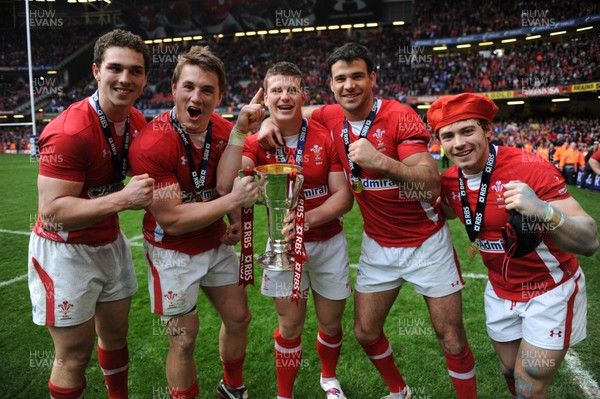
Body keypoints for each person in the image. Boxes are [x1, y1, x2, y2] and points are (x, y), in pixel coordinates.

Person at [259, 43, 477, 399]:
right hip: (378, 243)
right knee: (365, 331)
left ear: (372, 79)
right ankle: (400, 391)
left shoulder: (399, 116)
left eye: (357, 76)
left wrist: (382, 161)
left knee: (450, 337)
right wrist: (269, 119)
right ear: (331, 86)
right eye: (340, 79)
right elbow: (290, 110)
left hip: (426, 242)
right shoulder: (329, 116)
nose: (349, 85)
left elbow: (429, 184)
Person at [430, 92, 599, 399]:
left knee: (529, 381)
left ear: (487, 130)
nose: (458, 144)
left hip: (550, 289)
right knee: (510, 371)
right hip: (499, 290)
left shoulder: (531, 167)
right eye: (448, 136)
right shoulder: (449, 182)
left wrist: (543, 210)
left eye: (467, 131)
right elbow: (448, 209)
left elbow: (589, 240)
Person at [128, 45, 262, 399]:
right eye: (188, 86)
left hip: (215, 241)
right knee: (184, 340)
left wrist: (234, 218)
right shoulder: (151, 143)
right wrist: (232, 201)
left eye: (206, 90)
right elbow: (171, 220)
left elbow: (225, 182)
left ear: (219, 96)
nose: (196, 96)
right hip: (171, 251)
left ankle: (232, 386)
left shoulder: (223, 130)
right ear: (173, 88)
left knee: (238, 318)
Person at [28, 29, 153, 399]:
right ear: (97, 70)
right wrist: (122, 199)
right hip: (64, 252)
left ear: (145, 77)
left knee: (115, 337)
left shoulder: (137, 122)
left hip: (109, 243)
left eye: (136, 71)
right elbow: (51, 213)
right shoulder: (70, 131)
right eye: (116, 68)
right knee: (74, 355)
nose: (125, 79)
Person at [219, 62, 354, 399]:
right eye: (276, 90)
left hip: (327, 243)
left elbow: (344, 197)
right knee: (290, 324)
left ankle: (328, 378)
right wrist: (243, 132)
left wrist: (306, 220)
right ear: (266, 99)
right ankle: (284, 394)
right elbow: (229, 182)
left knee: (331, 322)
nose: (284, 96)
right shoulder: (255, 142)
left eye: (291, 89)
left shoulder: (325, 136)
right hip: (281, 246)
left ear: (303, 96)